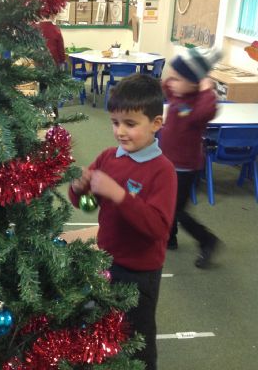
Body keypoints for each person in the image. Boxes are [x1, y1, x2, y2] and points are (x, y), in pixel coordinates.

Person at [68, 74, 177, 370]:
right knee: (101, 321)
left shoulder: (163, 170)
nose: (120, 132)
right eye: (115, 123)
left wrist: (119, 194)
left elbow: (158, 228)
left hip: (140, 272)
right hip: (106, 260)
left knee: (137, 336)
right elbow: (83, 202)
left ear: (156, 123)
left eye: (130, 124)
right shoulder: (108, 157)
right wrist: (79, 187)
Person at [159, 46, 223, 269]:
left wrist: (206, 89)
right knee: (167, 203)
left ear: (194, 83)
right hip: (169, 163)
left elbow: (207, 111)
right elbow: (166, 85)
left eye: (178, 79)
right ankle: (170, 238)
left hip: (186, 167)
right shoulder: (178, 93)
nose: (172, 82)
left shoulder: (199, 104)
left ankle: (207, 240)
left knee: (177, 210)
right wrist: (176, 74)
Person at [36, 15, 66, 118]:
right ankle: (55, 114)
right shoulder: (55, 29)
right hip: (54, 63)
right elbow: (61, 49)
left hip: (40, 63)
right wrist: (62, 61)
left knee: (42, 87)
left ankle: (41, 111)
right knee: (54, 89)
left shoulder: (36, 28)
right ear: (52, 15)